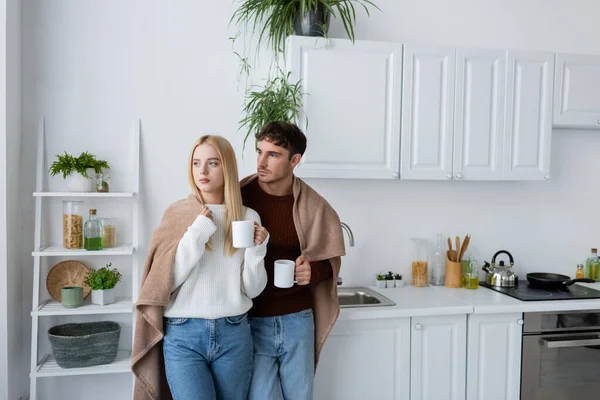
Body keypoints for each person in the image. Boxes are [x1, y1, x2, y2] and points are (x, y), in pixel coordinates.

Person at [132, 135, 269, 400]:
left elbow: (251, 290)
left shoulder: (248, 217)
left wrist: (257, 249)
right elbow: (165, 283)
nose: (202, 171)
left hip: (234, 332)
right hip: (184, 335)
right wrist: (197, 231)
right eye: (196, 163)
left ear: (226, 167)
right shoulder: (179, 213)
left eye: (212, 163)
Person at [240, 121, 346, 400]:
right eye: (259, 152)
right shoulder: (240, 195)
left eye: (272, 155)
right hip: (252, 319)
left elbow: (330, 260)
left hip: (297, 320)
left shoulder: (313, 204)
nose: (261, 162)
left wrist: (313, 270)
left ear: (294, 160)